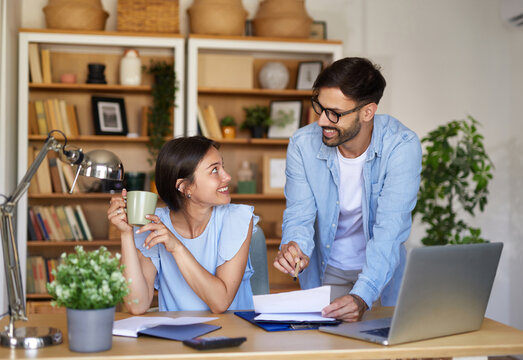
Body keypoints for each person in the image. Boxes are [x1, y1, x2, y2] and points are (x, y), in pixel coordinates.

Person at [273, 57, 422, 322]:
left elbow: (390, 230)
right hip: (326, 270)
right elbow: (299, 214)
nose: (321, 121)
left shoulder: (401, 146)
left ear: (368, 112)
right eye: (319, 107)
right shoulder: (302, 145)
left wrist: (363, 295)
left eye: (335, 114)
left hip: (381, 272)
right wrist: (295, 246)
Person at [108, 136, 258, 314]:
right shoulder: (154, 223)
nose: (227, 177)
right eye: (214, 170)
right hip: (175, 336)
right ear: (185, 187)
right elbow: (137, 305)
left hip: (232, 334)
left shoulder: (236, 218)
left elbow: (220, 302)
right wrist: (126, 234)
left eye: (222, 167)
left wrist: (177, 248)